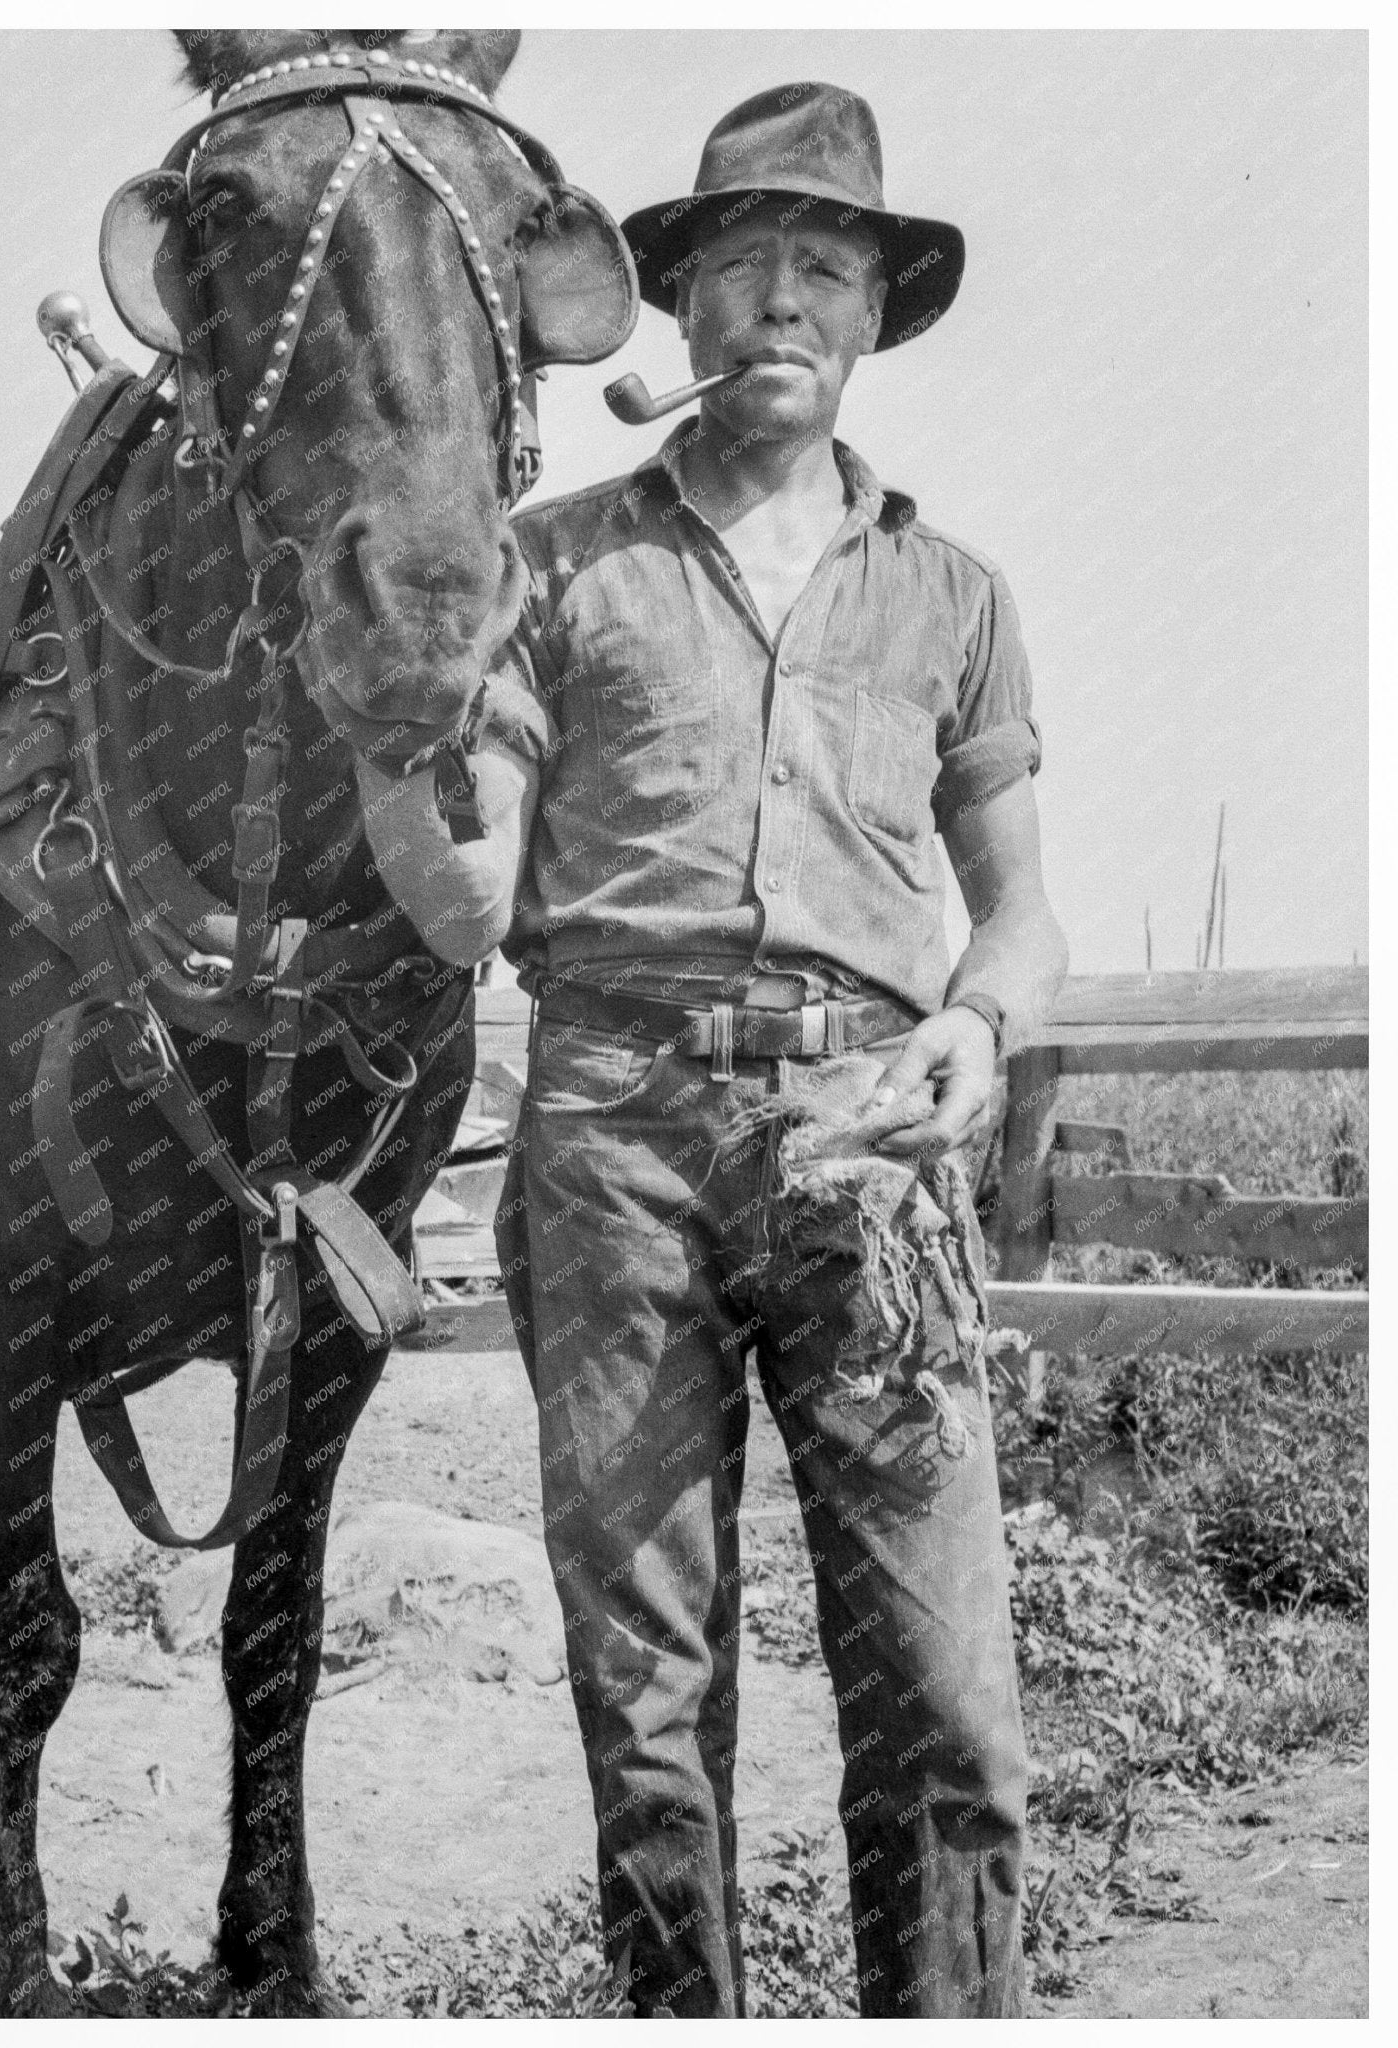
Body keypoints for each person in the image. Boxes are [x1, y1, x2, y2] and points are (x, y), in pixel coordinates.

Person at [354, 81, 1069, 2017]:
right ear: (675, 308)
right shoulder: (551, 560)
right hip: (615, 1139)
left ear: (869, 316)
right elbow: (469, 896)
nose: (777, 300)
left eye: (820, 266)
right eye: (739, 262)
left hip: (870, 1146)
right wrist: (385, 740)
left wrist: (983, 1028)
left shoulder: (952, 593)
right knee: (650, 1700)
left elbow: (1017, 913)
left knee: (945, 1704)